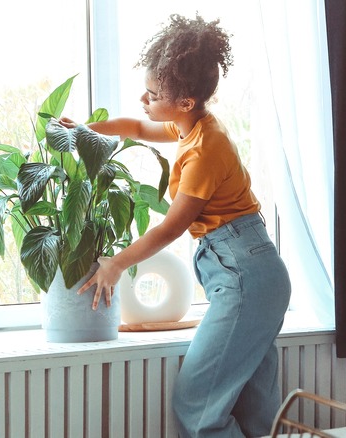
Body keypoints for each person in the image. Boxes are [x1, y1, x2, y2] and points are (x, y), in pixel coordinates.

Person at [61, 13, 291, 438]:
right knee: (255, 404)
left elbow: (171, 228)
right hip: (253, 270)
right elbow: (134, 127)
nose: (143, 99)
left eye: (152, 93)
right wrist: (84, 132)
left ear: (185, 102)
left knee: (196, 403)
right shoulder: (190, 125)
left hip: (244, 273)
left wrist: (115, 263)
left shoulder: (206, 149)